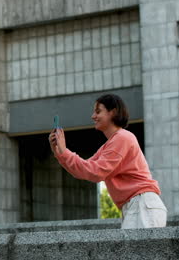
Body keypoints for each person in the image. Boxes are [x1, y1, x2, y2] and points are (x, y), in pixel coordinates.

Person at [48, 94, 167, 229]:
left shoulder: (122, 137)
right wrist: (59, 152)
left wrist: (64, 151)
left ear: (113, 112)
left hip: (142, 204)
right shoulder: (110, 145)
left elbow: (96, 172)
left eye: (98, 111)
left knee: (136, 250)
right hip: (138, 205)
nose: (93, 116)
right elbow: (85, 170)